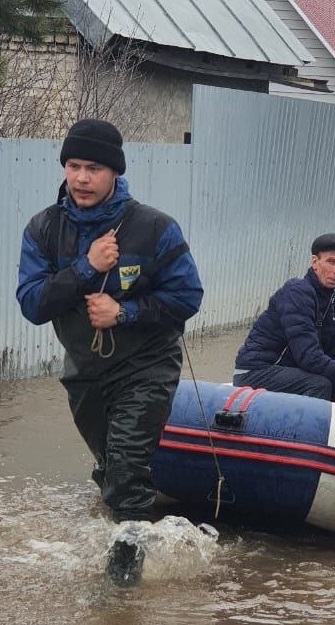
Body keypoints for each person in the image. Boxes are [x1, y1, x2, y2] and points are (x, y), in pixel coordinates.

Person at [16, 119, 204, 586]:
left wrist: (125, 313)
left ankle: (120, 593)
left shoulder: (154, 227)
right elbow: (32, 304)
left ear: (115, 173)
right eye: (74, 166)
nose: (82, 178)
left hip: (147, 366)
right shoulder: (43, 228)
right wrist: (85, 268)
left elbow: (188, 297)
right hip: (84, 369)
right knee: (110, 469)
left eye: (94, 168)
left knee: (126, 469)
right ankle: (138, 537)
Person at [231, 233, 335, 401]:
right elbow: (308, 356)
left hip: (290, 370)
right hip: (257, 370)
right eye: (331, 262)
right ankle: (307, 427)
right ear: (314, 262)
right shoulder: (297, 293)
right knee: (319, 384)